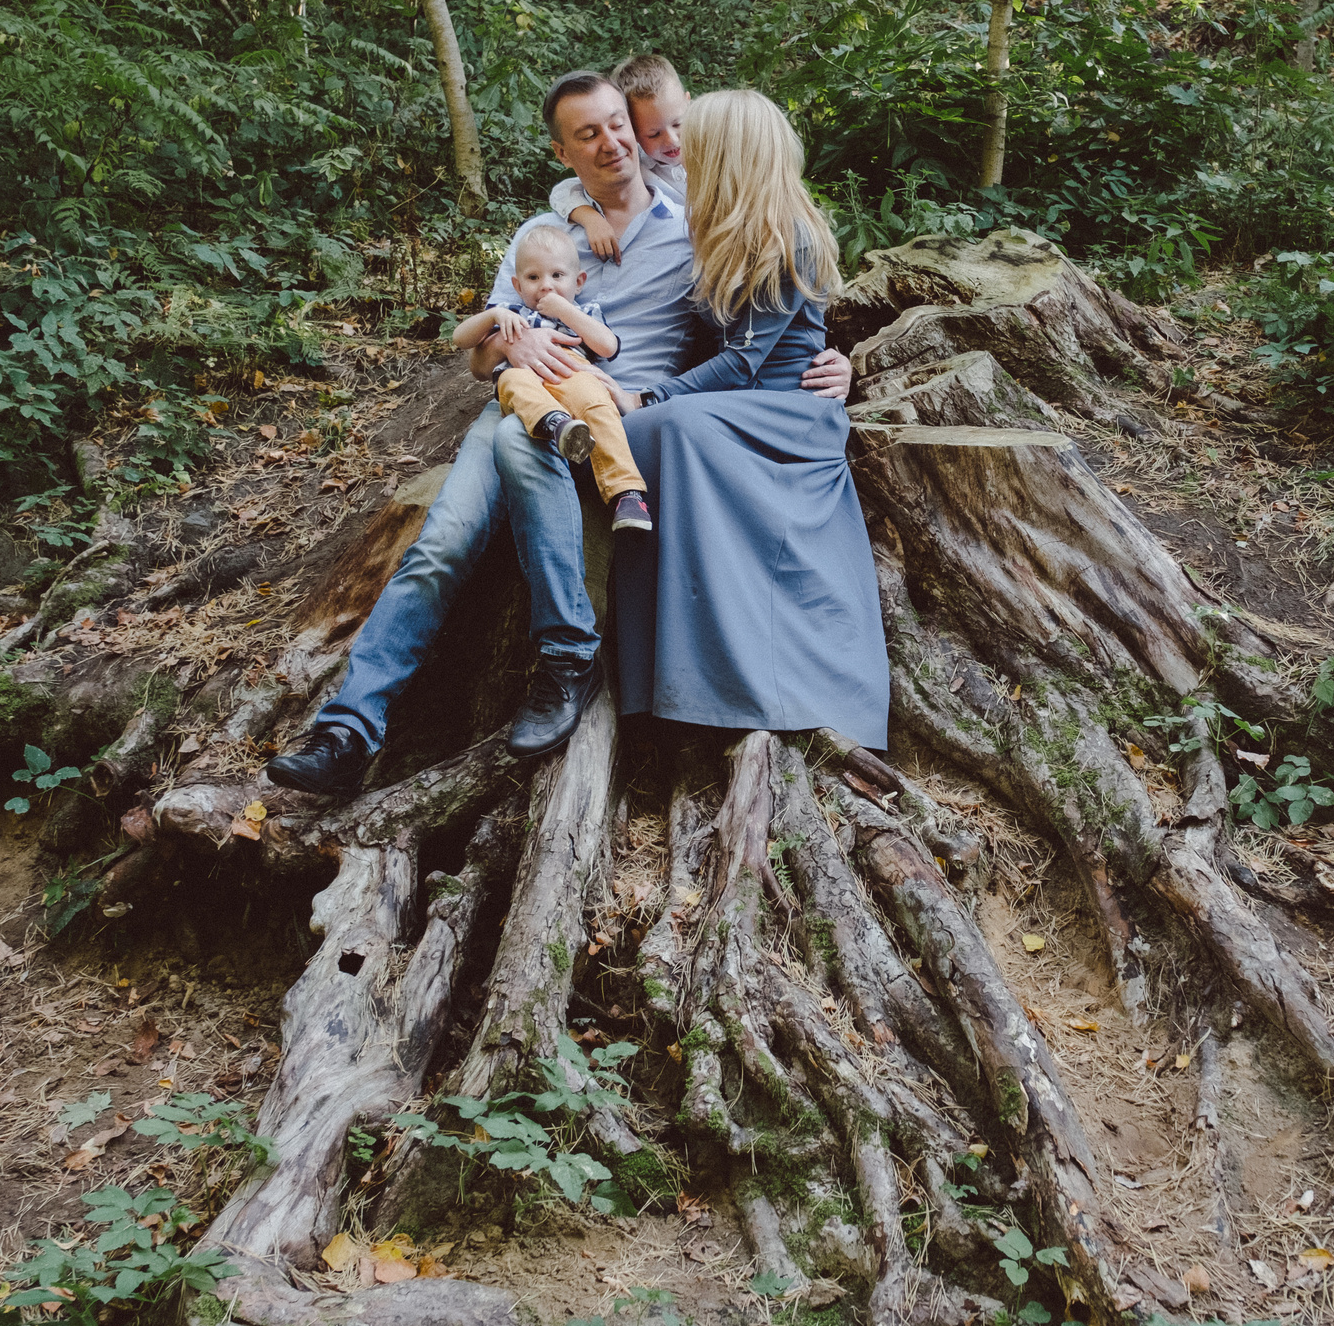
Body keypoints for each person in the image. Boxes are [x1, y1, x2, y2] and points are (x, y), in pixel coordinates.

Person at [264, 71, 851, 795]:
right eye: (587, 135)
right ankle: (347, 731)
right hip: (520, 396)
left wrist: (831, 359)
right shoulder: (541, 236)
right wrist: (511, 341)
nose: (612, 143)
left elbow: (756, 312)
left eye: (619, 126)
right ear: (561, 154)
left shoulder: (693, 222)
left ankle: (569, 656)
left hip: (615, 413)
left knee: (522, 444)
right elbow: (478, 355)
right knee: (441, 543)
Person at [611, 89, 891, 750]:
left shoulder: (791, 231)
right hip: (739, 406)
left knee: (666, 428)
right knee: (640, 440)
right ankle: (650, 686)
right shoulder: (715, 226)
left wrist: (652, 397)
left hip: (786, 412)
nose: (683, 155)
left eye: (698, 146)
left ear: (731, 156)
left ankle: (712, 688)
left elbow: (744, 362)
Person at [451, 223, 652, 534]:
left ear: (579, 281)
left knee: (598, 404)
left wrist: (565, 311)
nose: (546, 286)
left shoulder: (585, 313)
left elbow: (608, 346)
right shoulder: (513, 313)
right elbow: (460, 338)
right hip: (525, 378)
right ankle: (557, 425)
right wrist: (494, 316)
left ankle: (627, 493)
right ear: (517, 285)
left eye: (557, 276)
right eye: (533, 277)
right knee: (513, 382)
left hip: (572, 374)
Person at [553, 54, 689, 264]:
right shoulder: (637, 168)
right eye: (653, 134)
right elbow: (564, 191)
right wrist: (590, 218)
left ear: (688, 103)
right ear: (632, 131)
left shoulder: (717, 149)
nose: (671, 141)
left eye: (678, 124)